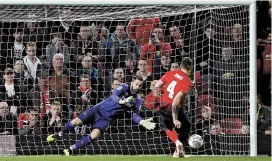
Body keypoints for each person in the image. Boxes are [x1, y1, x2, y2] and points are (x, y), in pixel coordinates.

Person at [46, 75, 155, 156]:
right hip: (97, 110)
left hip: (107, 119)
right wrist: (122, 101)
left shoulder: (137, 100)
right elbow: (114, 96)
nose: (138, 87)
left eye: (140, 85)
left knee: (94, 135)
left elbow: (134, 115)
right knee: (76, 122)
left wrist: (141, 121)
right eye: (136, 84)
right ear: (132, 82)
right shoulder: (123, 86)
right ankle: (59, 134)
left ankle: (70, 149)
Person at [155, 57, 193, 158]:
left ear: (180, 66)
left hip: (163, 104)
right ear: (190, 69)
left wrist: (164, 91)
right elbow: (176, 101)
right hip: (174, 107)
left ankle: (177, 147)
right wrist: (175, 119)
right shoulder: (188, 83)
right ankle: (179, 145)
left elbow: (157, 85)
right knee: (186, 126)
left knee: (168, 127)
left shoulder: (170, 73)